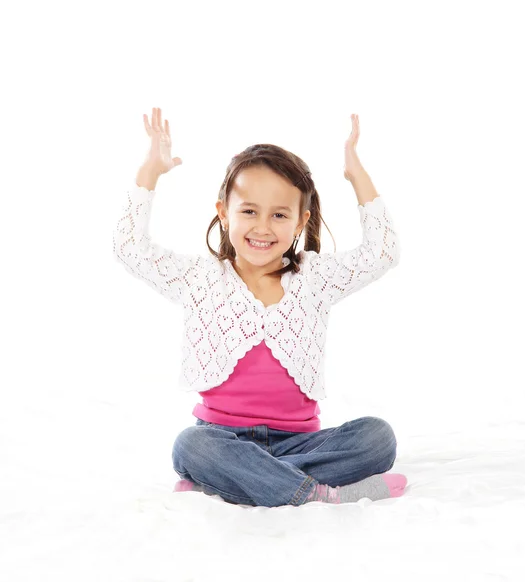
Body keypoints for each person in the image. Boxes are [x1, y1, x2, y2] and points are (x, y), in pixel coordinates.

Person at [112, 106, 407, 508]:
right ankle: (315, 493)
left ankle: (240, 483)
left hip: (302, 443)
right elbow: (130, 249)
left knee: (378, 437)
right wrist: (150, 172)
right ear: (224, 212)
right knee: (190, 446)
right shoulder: (200, 279)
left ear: (300, 222)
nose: (263, 227)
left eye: (279, 215)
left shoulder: (314, 279)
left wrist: (357, 176)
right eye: (249, 211)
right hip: (222, 439)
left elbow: (384, 251)